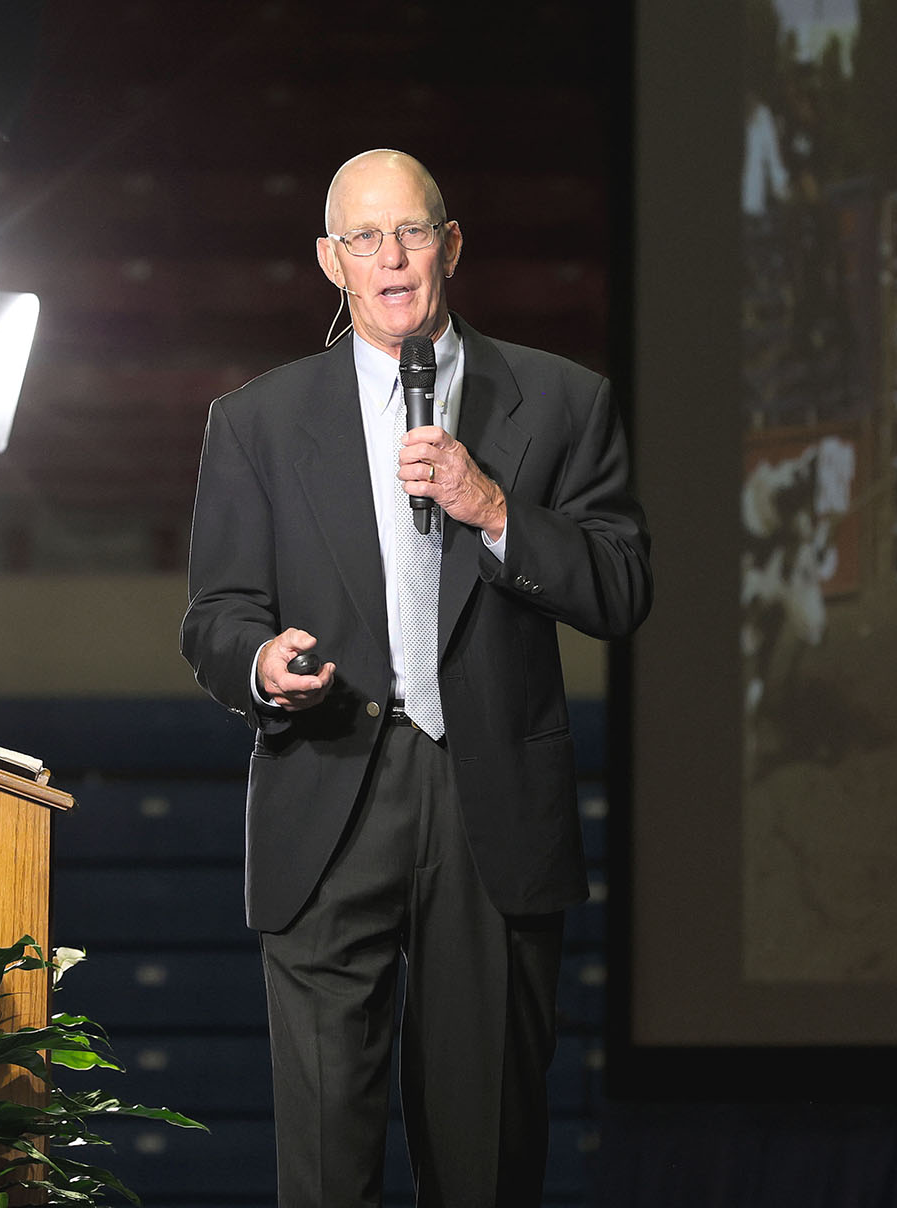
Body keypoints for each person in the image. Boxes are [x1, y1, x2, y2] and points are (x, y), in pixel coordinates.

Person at [180, 149, 653, 1208]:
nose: (390, 258)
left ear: (451, 244)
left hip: (490, 806)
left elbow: (621, 588)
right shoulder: (256, 420)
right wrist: (258, 662)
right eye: (364, 238)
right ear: (329, 261)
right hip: (326, 789)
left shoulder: (563, 402)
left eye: (411, 232)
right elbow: (215, 616)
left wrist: (493, 508)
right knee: (324, 1164)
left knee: (485, 1159)